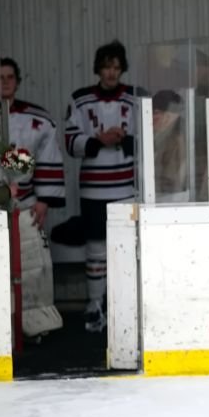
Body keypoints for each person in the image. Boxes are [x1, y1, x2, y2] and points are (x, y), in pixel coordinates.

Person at [64, 40, 140, 333]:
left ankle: (124, 305)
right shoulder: (80, 99)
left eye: (116, 67)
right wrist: (97, 141)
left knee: (126, 247)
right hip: (93, 188)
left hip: (126, 188)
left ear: (122, 69)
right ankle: (95, 304)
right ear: (98, 69)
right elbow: (70, 140)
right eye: (106, 67)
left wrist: (124, 139)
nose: (111, 73)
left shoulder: (136, 97)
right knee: (95, 248)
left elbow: (150, 136)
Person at [0, 57, 65, 339]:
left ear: (18, 81)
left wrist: (44, 200)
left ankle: (36, 327)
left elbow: (47, 159)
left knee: (34, 266)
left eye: (10, 77)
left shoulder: (39, 119)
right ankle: (0, 329)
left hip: (26, 205)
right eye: (0, 77)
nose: (5, 82)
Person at [151, 89, 188, 203]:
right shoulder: (158, 139)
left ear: (169, 116)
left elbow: (173, 181)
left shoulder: (178, 141)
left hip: (172, 203)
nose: (151, 118)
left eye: (155, 113)